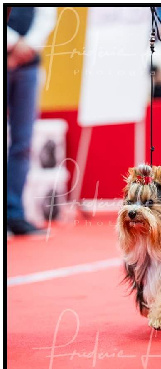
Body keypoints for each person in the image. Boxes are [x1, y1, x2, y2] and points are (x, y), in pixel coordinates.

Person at [7, 7, 56, 235]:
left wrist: (25, 46)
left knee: (23, 143)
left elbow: (47, 15)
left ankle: (14, 214)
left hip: (29, 65)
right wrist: (13, 42)